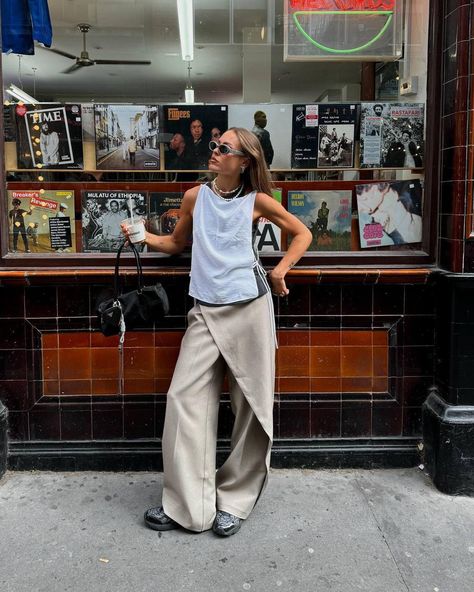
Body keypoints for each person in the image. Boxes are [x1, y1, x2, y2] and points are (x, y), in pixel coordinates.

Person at [121, 127, 312, 537]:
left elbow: (303, 234)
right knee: (184, 398)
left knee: (251, 407)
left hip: (250, 309)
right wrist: (143, 238)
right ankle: (188, 505)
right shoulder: (194, 196)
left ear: (245, 161)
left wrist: (280, 271)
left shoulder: (259, 201)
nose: (215, 152)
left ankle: (235, 500)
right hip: (204, 309)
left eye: (225, 148)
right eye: (214, 146)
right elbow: (176, 243)